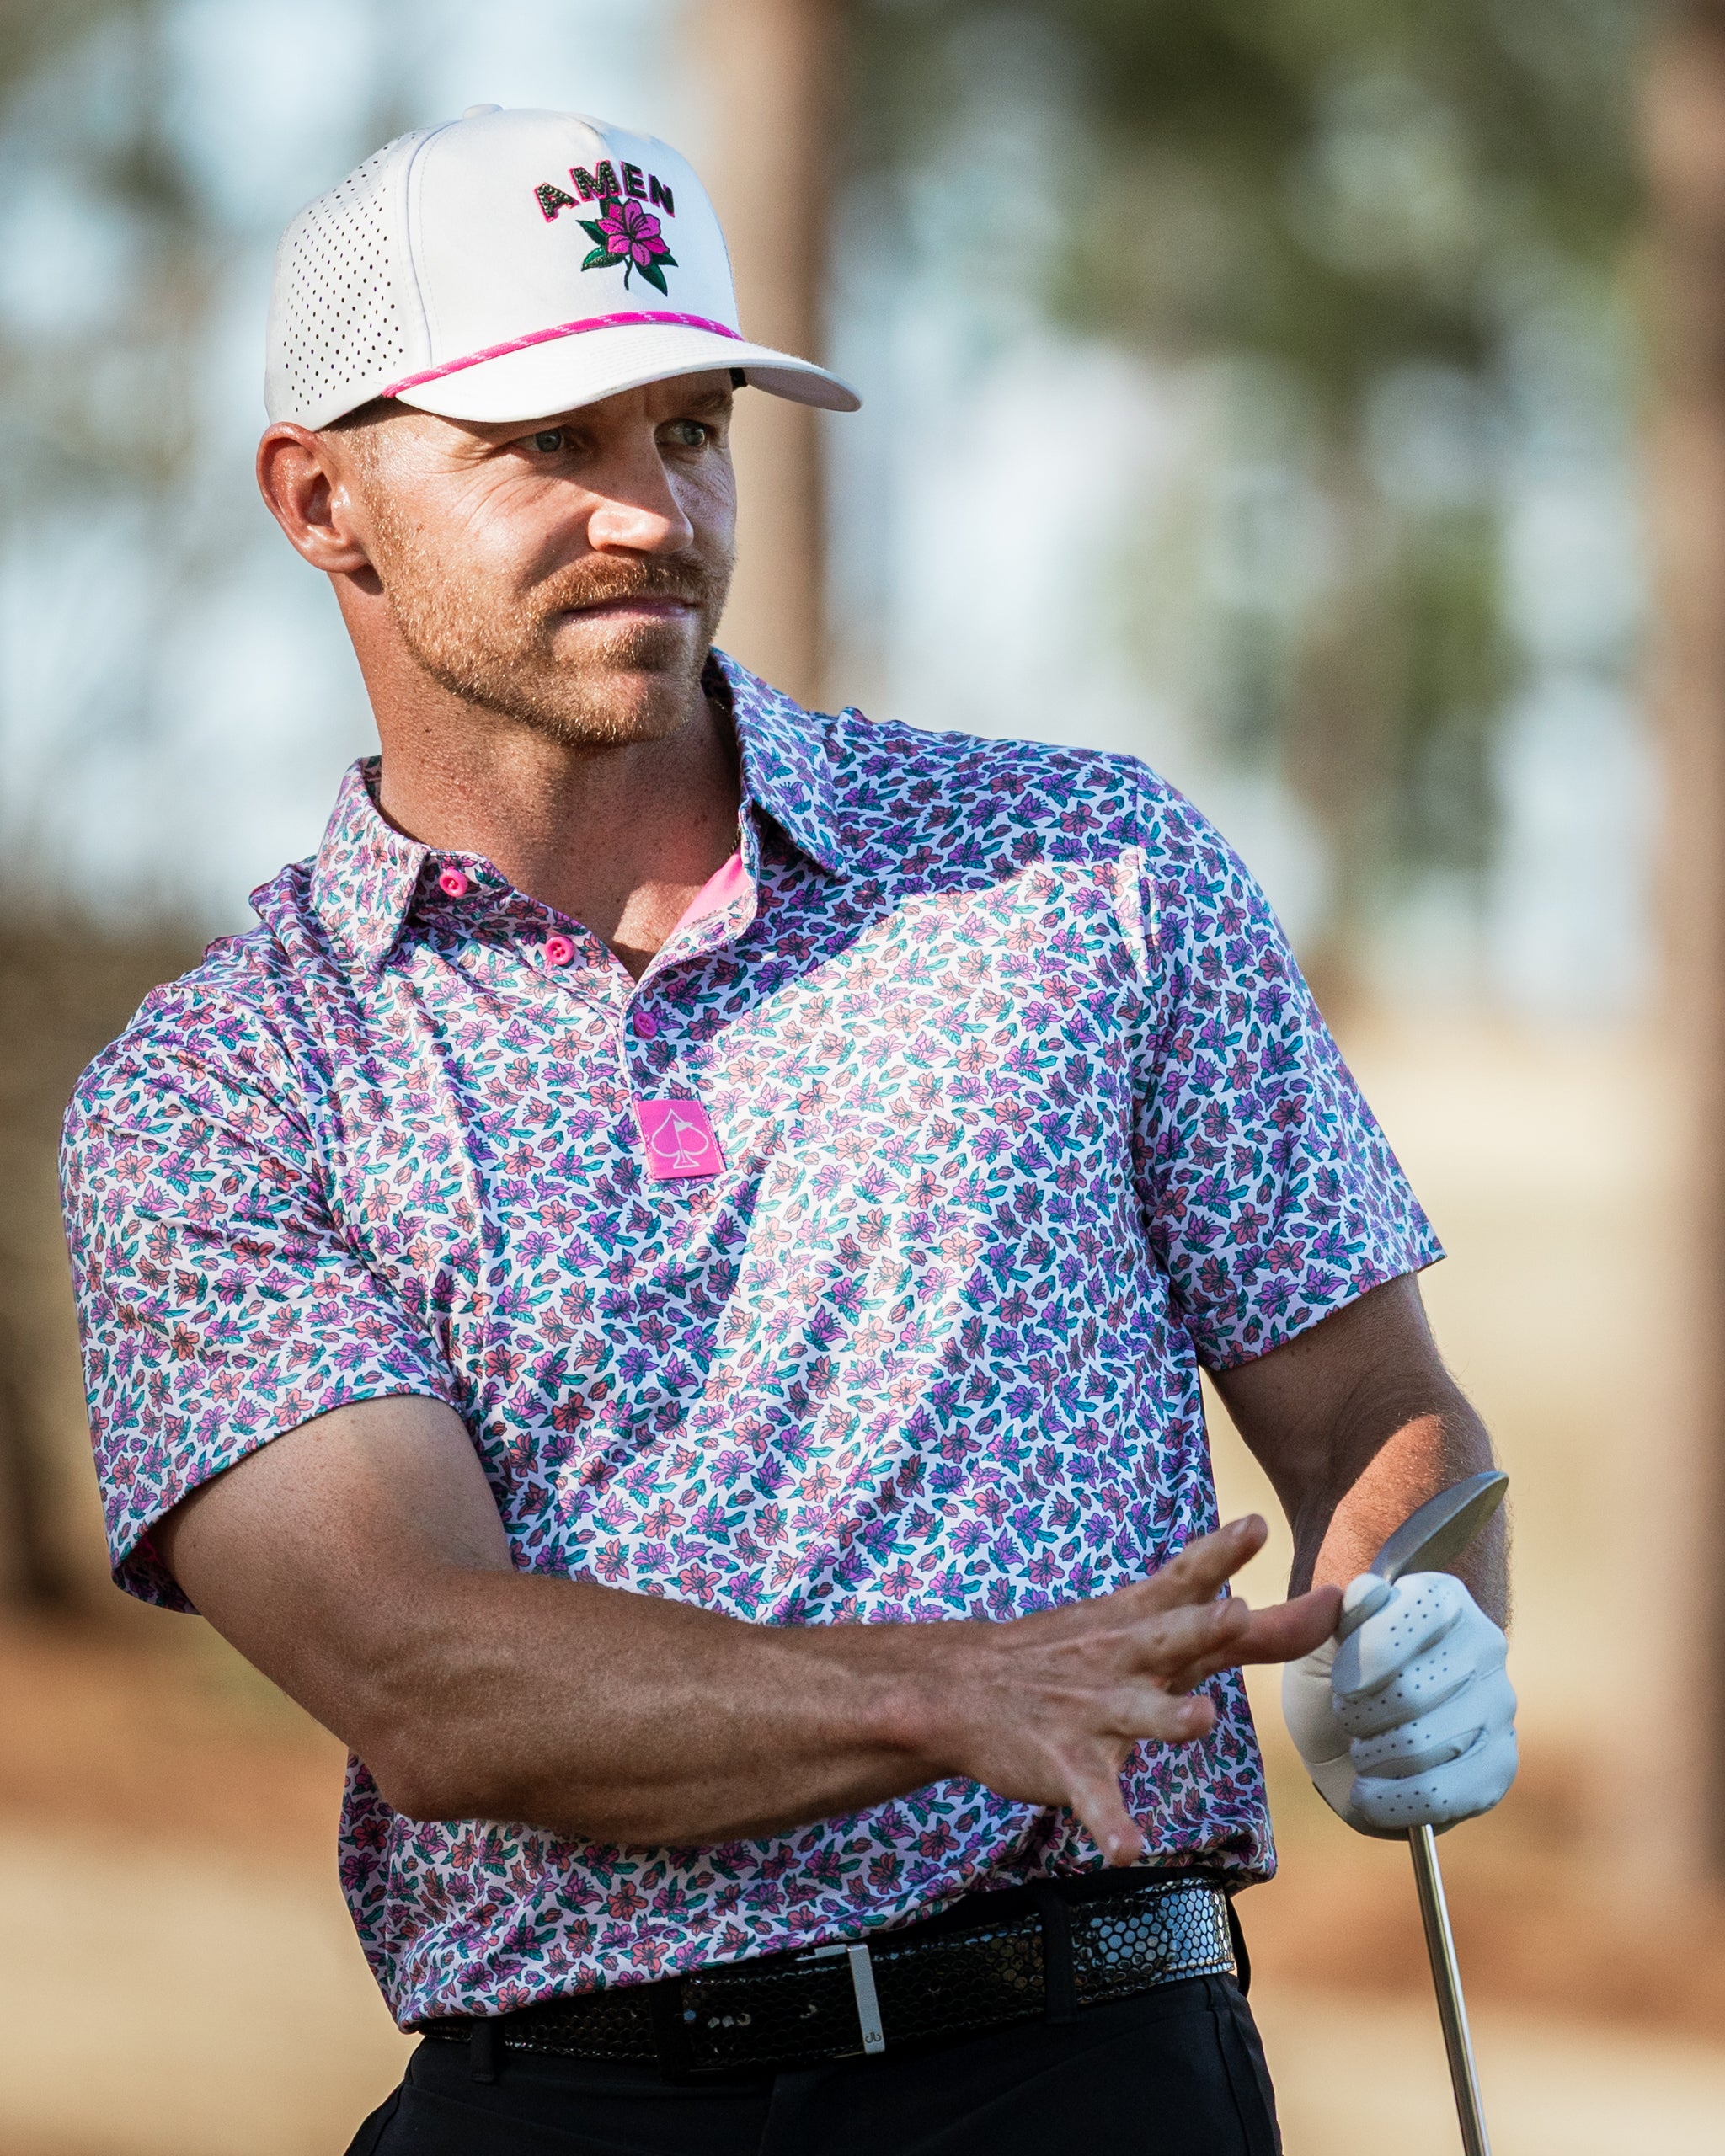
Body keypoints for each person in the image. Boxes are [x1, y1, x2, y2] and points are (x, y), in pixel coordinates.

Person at [60, 105, 1516, 2154]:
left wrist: (1421, 1605)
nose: (650, 511)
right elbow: (423, 1669)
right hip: (562, 2109)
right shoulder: (223, 1086)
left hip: (1081, 2069)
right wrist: (956, 1691)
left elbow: (1374, 1399)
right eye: (549, 442)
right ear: (325, 500)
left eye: (690, 428)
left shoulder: (1083, 868)